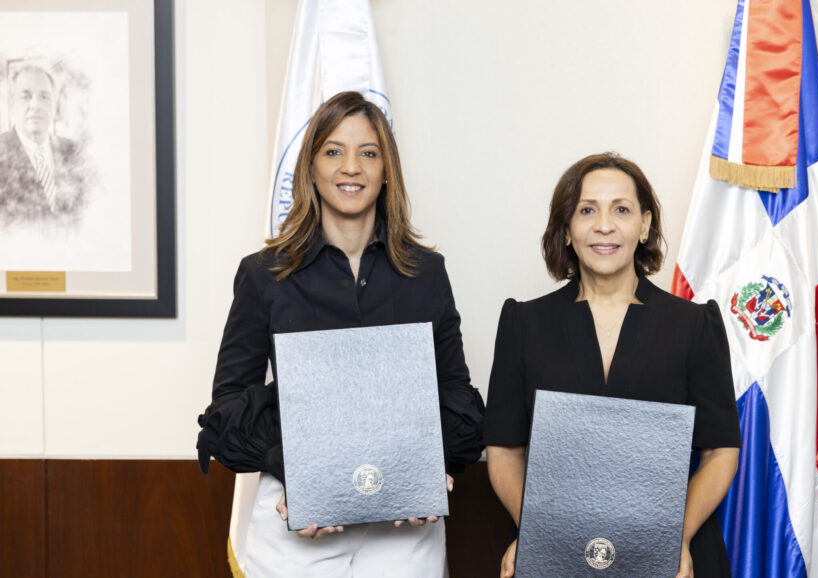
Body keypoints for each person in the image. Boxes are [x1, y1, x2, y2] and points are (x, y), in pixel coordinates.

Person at [196, 91, 485, 577]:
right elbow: (228, 403)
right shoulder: (264, 275)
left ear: (386, 170)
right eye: (333, 151)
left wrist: (429, 468)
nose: (351, 166)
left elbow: (454, 392)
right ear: (309, 169)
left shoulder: (427, 274)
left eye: (368, 153)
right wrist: (303, 472)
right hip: (296, 527)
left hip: (404, 530)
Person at [484, 153, 741, 578]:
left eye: (621, 209)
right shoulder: (523, 323)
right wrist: (536, 532)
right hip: (558, 556)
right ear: (566, 229)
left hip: (674, 559)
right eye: (587, 210)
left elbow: (720, 452)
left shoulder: (695, 325)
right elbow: (504, 451)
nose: (604, 225)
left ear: (644, 225)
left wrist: (676, 538)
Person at [0, 64, 89, 226]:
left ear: (54, 106)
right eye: (25, 96)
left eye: (44, 97)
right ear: (12, 105)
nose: (35, 105)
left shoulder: (73, 153)